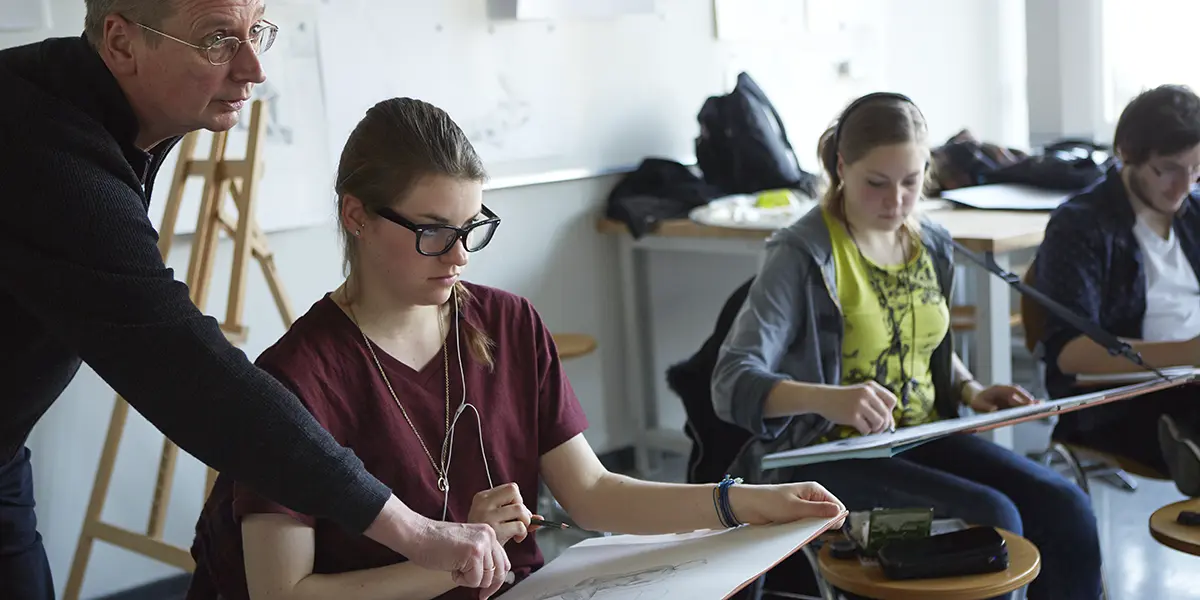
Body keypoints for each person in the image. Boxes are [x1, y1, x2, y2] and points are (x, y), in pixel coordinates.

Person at [184, 96, 847, 600]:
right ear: (356, 216)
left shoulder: (508, 323)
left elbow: (593, 493)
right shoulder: (298, 376)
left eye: (472, 227)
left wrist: (737, 501)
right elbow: (283, 593)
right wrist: (446, 560)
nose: (460, 256)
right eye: (433, 232)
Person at [0, 2, 504, 597]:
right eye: (217, 39)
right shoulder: (42, 145)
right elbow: (185, 369)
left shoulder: (81, 104)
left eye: (256, 31)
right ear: (121, 42)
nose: (253, 68)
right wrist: (413, 531)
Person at [711, 92, 1102, 599]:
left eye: (911, 183)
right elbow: (730, 380)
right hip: (827, 455)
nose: (896, 201)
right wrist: (829, 398)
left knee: (1065, 505)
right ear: (841, 166)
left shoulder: (930, 242)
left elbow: (923, 341)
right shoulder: (802, 253)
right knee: (992, 518)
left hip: (922, 435)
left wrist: (969, 388)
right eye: (876, 184)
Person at [1032, 84, 1200, 498]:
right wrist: (1192, 352)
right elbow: (1070, 352)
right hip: (1116, 401)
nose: (1183, 187)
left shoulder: (1194, 213)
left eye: (1196, 169)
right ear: (1126, 152)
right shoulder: (1081, 225)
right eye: (1168, 170)